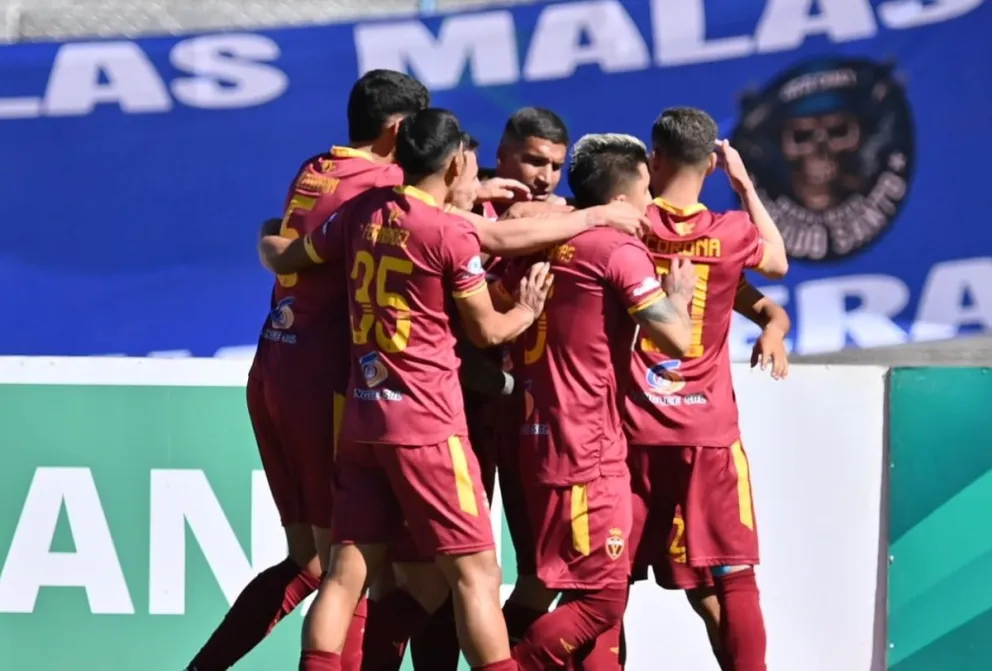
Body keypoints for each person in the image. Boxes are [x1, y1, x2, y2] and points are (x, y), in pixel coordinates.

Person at [183, 69, 428, 671]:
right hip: (322, 383)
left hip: (275, 366)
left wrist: (270, 243)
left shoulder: (318, 167)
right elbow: (448, 222)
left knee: (312, 561)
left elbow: (278, 237)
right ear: (397, 130)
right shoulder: (385, 184)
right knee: (352, 563)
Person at [295, 107, 555, 671]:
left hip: (363, 419)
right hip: (428, 427)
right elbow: (487, 330)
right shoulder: (449, 233)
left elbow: (297, 255)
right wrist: (528, 311)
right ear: (457, 162)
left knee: (345, 574)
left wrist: (271, 244)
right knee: (477, 575)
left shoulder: (362, 210)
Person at [491, 133, 697, 669]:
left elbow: (492, 294)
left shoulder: (540, 242)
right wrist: (679, 298)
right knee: (602, 600)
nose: (651, 202)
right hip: (585, 448)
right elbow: (677, 339)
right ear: (623, 199)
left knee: (539, 585)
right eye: (647, 191)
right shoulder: (617, 250)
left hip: (535, 438)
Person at [623, 108, 790, 671]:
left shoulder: (628, 222)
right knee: (733, 576)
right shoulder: (732, 232)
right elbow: (778, 262)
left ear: (654, 158)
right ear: (714, 165)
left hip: (632, 428)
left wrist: (774, 323)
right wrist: (745, 187)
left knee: (606, 584)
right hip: (708, 431)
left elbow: (767, 303)